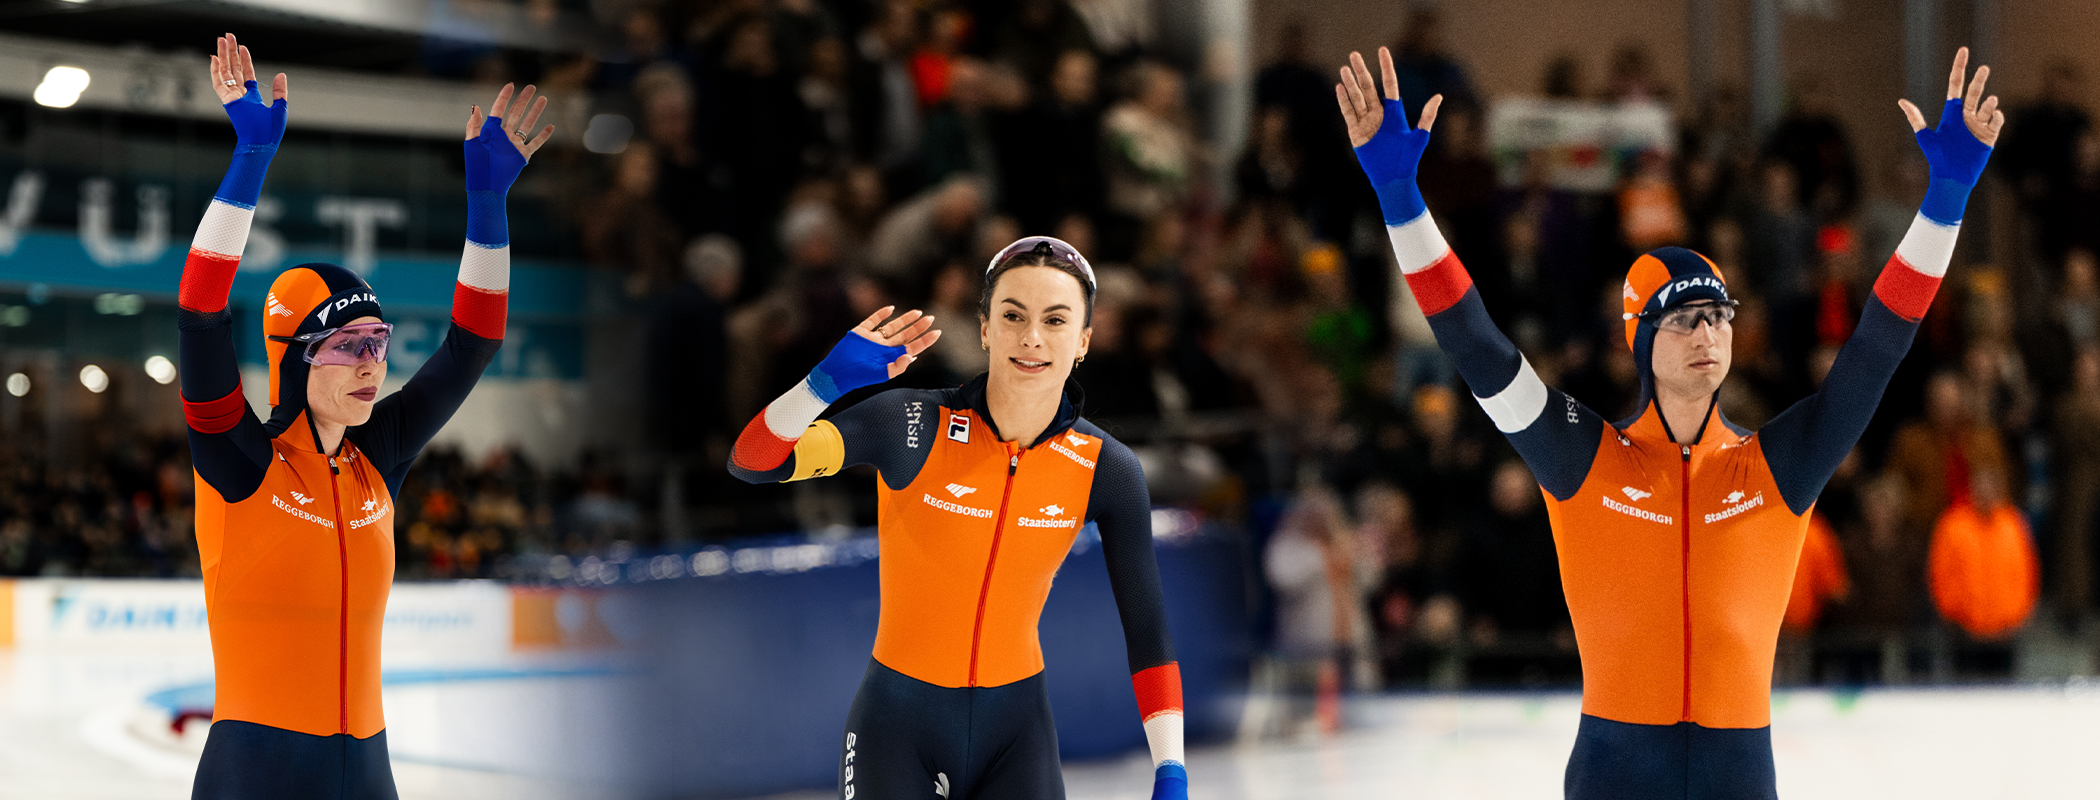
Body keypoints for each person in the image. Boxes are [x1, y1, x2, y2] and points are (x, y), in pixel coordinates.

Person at [1338, 44, 1999, 799]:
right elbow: (1476, 345)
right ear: (1641, 340)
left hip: (1739, 774)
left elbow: (1879, 346)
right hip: (1613, 773)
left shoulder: (1780, 465)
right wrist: (1399, 196)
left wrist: (1946, 195)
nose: (1708, 334)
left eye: (1718, 316)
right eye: (1684, 318)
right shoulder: (1582, 454)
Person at [176, 35, 548, 799]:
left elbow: (473, 344)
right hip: (257, 772)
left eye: (378, 342)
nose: (373, 364)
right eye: (348, 345)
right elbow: (199, 312)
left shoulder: (378, 459)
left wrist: (487, 205)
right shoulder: (238, 459)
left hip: (368, 771)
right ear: (294, 356)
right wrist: (249, 158)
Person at [727, 236, 1187, 800]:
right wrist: (824, 384)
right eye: (1012, 315)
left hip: (1016, 735)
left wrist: (1172, 770)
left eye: (1056, 319)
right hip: (897, 731)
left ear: (1084, 340)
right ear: (986, 327)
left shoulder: (1106, 468)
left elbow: (1147, 631)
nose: (1032, 338)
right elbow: (752, 463)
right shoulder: (910, 424)